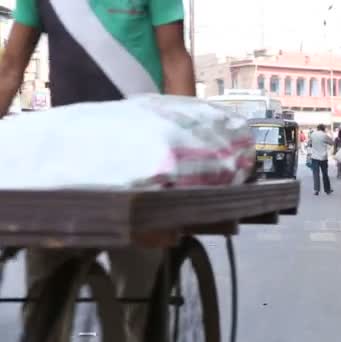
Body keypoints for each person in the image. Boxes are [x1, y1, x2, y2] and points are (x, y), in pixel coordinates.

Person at [0, 1, 195, 341]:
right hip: (68, 159)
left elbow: (174, 59)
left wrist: (186, 147)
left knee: (140, 302)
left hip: (139, 156)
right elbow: (11, 68)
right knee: (44, 293)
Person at [309, 124, 334, 195]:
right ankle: (327, 190)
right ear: (323, 129)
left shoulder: (312, 134)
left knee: (316, 174)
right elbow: (332, 143)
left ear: (317, 128)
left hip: (315, 157)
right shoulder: (324, 135)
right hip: (323, 158)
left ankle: (316, 190)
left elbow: (310, 144)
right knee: (325, 174)